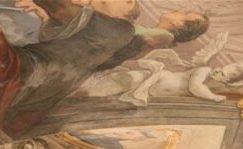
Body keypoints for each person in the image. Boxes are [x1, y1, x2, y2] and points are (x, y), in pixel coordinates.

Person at [0, 0, 208, 134]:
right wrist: (48, 17)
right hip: (35, 86)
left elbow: (60, 7)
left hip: (26, 72)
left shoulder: (125, 30)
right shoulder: (116, 35)